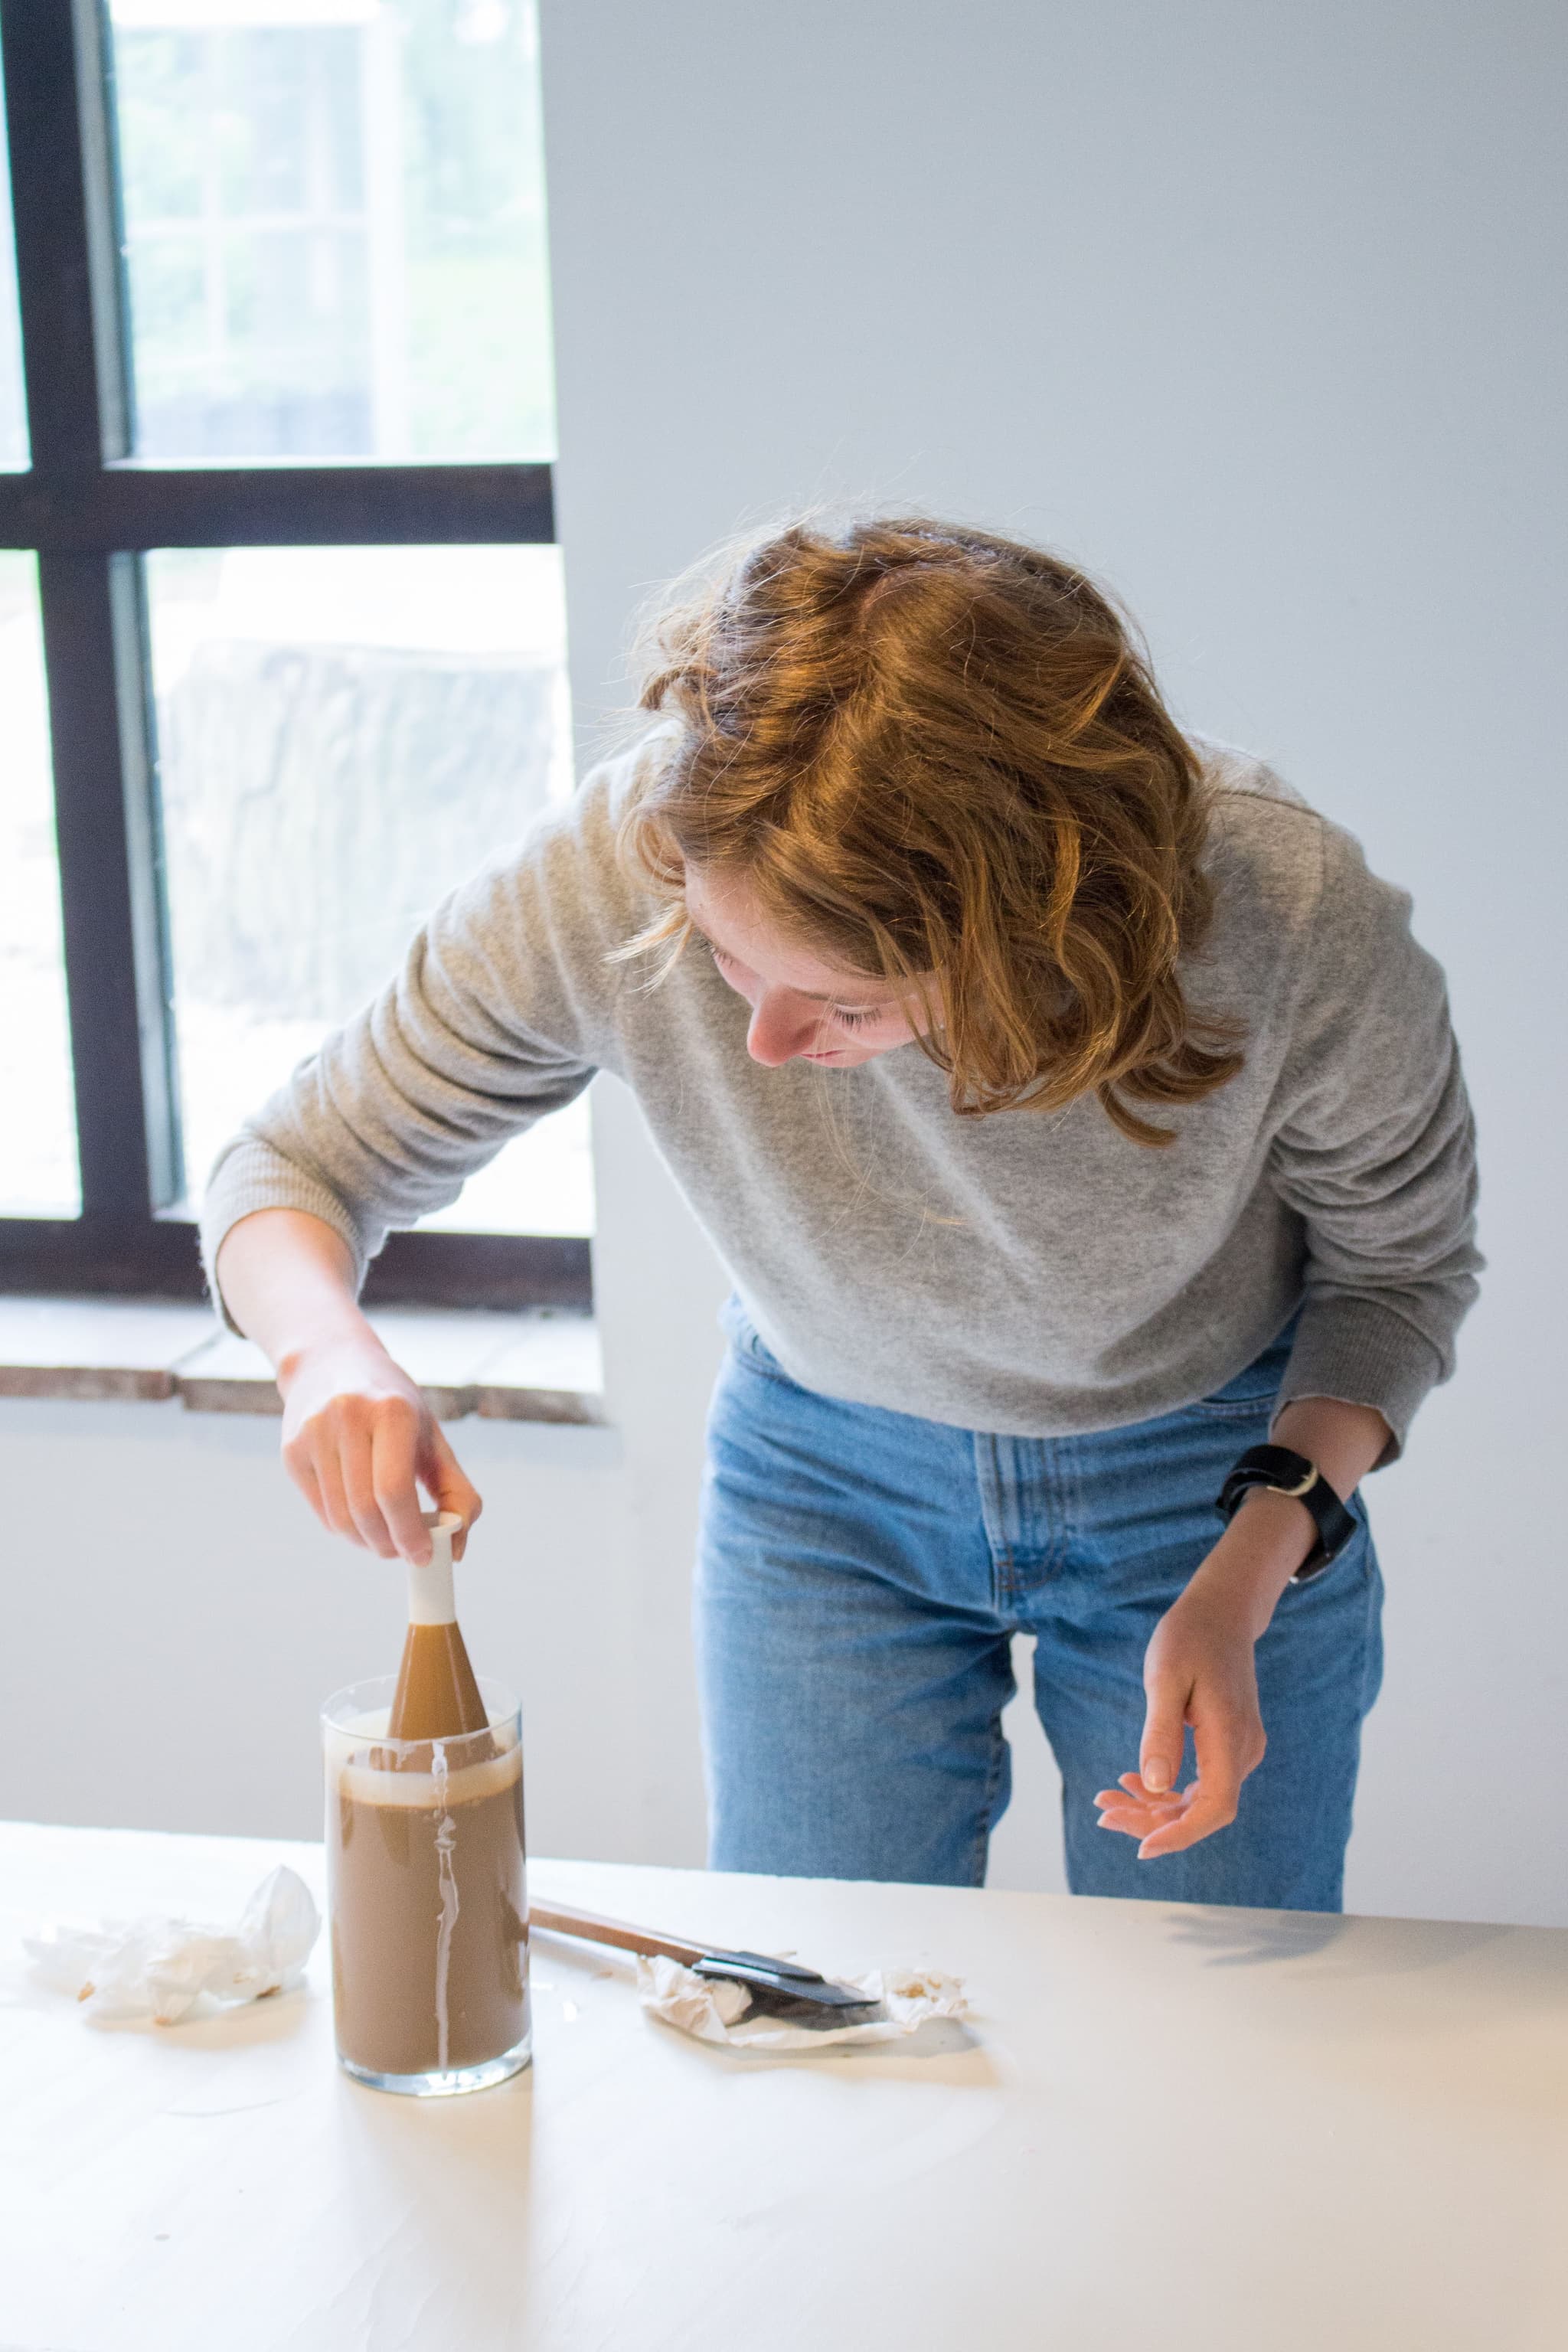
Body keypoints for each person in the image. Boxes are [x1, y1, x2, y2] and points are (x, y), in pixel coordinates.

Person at [205, 516, 1479, 1912]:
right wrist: (326, 1358)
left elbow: (1396, 1274)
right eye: (725, 954)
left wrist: (1257, 1561)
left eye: (849, 1003)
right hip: (822, 1479)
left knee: (1222, 2034)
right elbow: (290, 1169)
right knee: (804, 2001)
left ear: (1035, 933)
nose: (761, 1040)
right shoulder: (613, 866)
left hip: (1218, 1469)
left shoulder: (1286, 913)